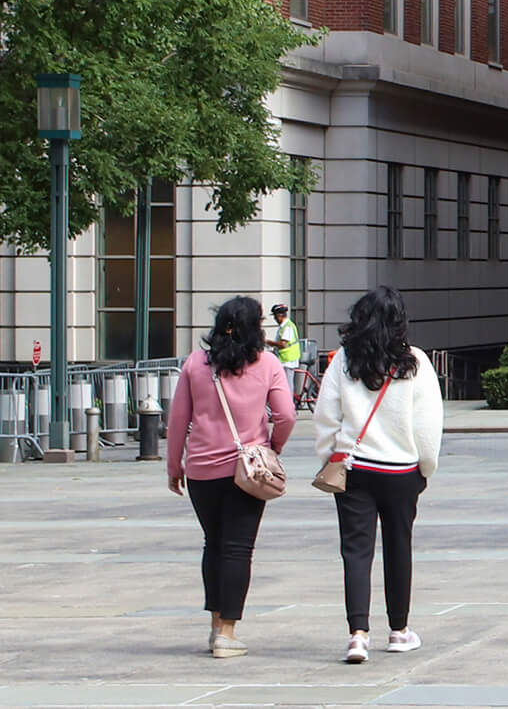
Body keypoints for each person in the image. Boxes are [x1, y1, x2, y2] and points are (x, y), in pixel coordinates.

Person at [314, 285, 444, 665]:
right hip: (402, 469)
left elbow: (326, 415)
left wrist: (330, 457)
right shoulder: (415, 362)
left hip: (354, 468)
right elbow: (428, 424)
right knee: (399, 547)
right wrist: (425, 467)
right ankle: (399, 631)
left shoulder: (343, 361)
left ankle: (357, 635)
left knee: (355, 551)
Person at [166, 295, 295, 659]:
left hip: (202, 470)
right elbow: (286, 415)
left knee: (214, 543)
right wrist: (272, 447)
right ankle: (227, 633)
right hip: (248, 470)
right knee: (238, 547)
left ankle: (215, 623)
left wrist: (174, 465)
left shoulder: (196, 363)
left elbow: (178, 421)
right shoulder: (268, 363)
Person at [268, 303, 302, 391]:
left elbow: (283, 344)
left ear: (280, 315)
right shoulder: (283, 327)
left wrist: (269, 342)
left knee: (287, 384)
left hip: (288, 360)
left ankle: (289, 403)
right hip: (284, 359)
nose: (274, 319)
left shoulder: (288, 327)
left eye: (275, 316)